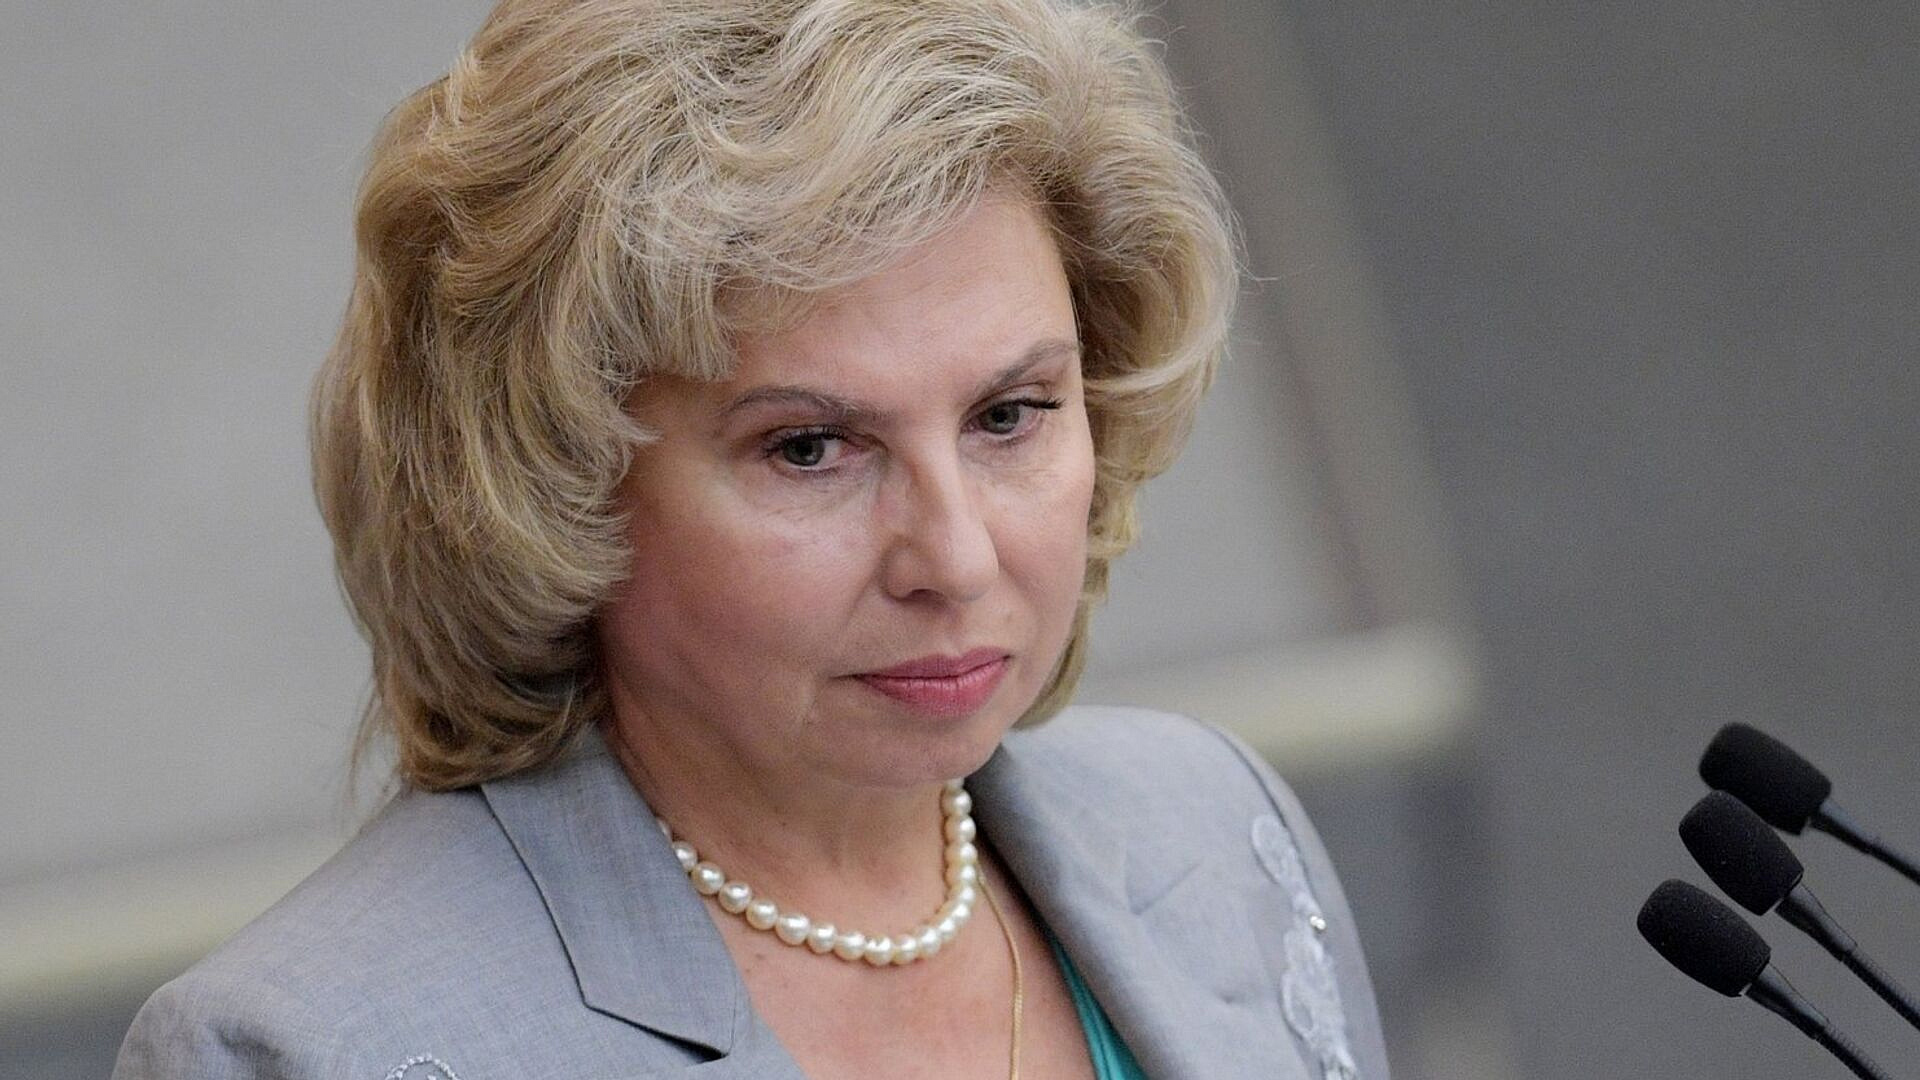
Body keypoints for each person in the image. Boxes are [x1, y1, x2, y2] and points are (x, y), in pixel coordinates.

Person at [113, 1, 1388, 1077]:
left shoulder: (1220, 830)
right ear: (554, 484)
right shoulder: (314, 1045)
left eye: (1008, 416)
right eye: (811, 448)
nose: (956, 559)